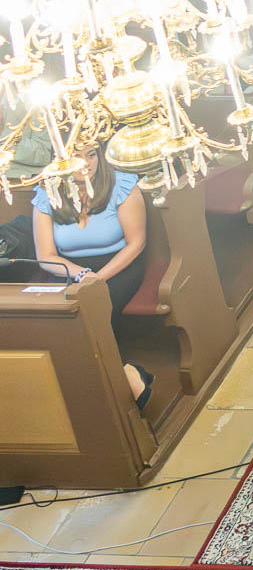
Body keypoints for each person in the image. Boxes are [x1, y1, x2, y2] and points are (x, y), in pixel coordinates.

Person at [32, 144, 152, 408]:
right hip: (69, 270)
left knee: (94, 310)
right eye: (76, 156)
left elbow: (137, 243)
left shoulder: (121, 184)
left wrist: (97, 279)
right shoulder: (46, 191)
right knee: (57, 319)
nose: (86, 162)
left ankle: (109, 394)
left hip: (117, 265)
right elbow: (46, 255)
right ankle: (126, 375)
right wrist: (83, 275)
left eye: (91, 154)